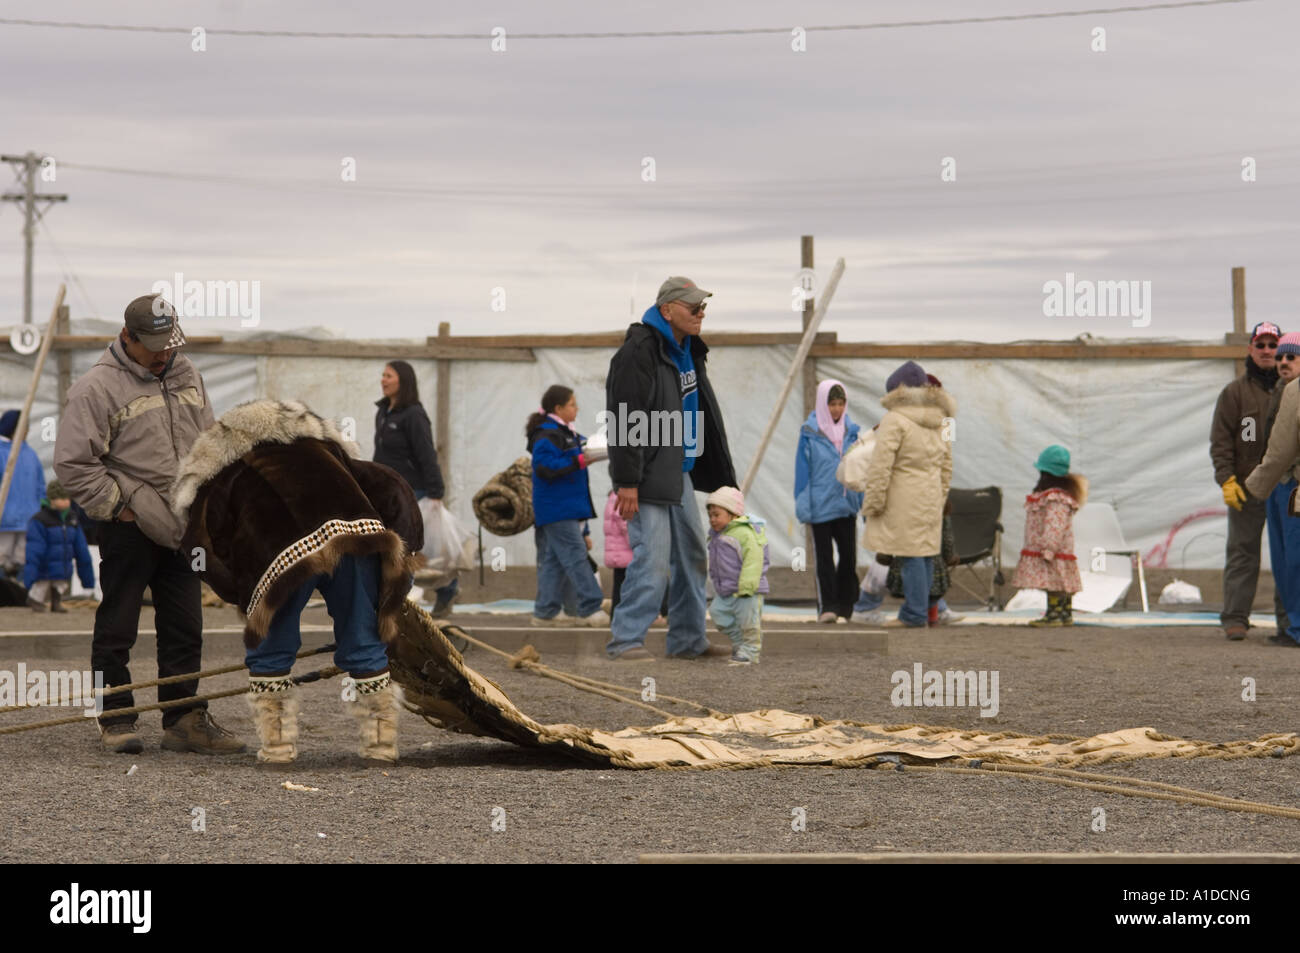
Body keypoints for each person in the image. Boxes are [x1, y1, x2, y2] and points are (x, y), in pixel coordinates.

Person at [172, 399, 424, 764]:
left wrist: (240, 590)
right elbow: (389, 483)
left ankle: (277, 748)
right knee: (363, 637)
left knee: (272, 643)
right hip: (355, 535)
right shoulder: (325, 448)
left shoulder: (224, 469)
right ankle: (381, 745)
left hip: (281, 553)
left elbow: (201, 540)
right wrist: (402, 556)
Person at [54, 293, 245, 755]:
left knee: (185, 625)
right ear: (127, 337)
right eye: (155, 344)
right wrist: (121, 508)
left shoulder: (187, 373)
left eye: (169, 342)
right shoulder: (95, 389)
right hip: (129, 526)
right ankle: (117, 717)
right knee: (118, 625)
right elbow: (74, 463)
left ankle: (183, 720)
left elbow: (209, 438)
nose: (165, 352)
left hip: (183, 525)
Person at [605, 276, 737, 661]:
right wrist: (627, 480)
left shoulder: (689, 350)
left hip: (678, 470)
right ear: (667, 310)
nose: (700, 314)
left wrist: (722, 478)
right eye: (693, 308)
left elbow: (705, 414)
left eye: (703, 308)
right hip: (646, 473)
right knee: (653, 558)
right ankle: (625, 640)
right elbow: (625, 417)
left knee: (693, 554)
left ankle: (687, 640)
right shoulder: (639, 352)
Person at [862, 361, 954, 628]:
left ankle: (914, 615)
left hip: (902, 496)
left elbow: (881, 465)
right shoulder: (942, 420)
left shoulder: (894, 420)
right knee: (924, 553)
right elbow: (947, 465)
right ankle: (922, 611)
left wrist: (874, 502)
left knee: (911, 554)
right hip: (930, 493)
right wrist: (940, 496)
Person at [1211, 321, 1285, 641]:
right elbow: (1221, 441)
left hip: (1286, 486)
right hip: (1247, 486)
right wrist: (1226, 479)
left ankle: (1289, 620)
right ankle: (1236, 617)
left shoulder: (1293, 388)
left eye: (1273, 345)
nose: (1267, 351)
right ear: (1250, 349)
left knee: (1288, 554)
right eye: (1261, 345)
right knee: (1243, 552)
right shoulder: (1234, 392)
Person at [374, 360, 458, 616]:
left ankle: (447, 589)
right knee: (395, 545)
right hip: (388, 492)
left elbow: (426, 455)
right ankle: (397, 596)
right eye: (383, 375)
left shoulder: (414, 415)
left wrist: (436, 493)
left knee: (418, 547)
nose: (383, 380)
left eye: (389, 376)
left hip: (414, 492)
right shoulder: (384, 411)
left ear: (403, 381)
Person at [527, 385, 609, 627]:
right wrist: (580, 459)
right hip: (556, 508)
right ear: (558, 408)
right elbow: (544, 466)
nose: (577, 408)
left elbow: (575, 455)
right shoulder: (547, 435)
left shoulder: (566, 433)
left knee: (553, 559)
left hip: (564, 508)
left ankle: (545, 612)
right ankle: (591, 607)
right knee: (576, 556)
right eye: (572, 404)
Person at [1243, 332, 1300, 647]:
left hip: (1288, 484)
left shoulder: (1292, 392)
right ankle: (1289, 625)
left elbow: (1280, 450)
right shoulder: (1273, 391)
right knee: (1283, 560)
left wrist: (1255, 486)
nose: (1282, 361)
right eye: (1280, 356)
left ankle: (1296, 628)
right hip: (1280, 482)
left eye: (1291, 356)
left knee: (1291, 560)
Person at [795, 380, 863, 622]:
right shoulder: (809, 433)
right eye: (831, 404)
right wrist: (804, 507)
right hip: (820, 507)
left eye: (840, 403)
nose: (836, 409)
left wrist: (862, 501)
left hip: (846, 506)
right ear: (823, 404)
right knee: (824, 559)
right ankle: (828, 607)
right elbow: (802, 473)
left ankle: (847, 606)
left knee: (848, 558)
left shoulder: (853, 432)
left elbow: (860, 468)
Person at [1011, 445, 1087, 627]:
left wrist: (1049, 548)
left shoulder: (1055, 499)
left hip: (1052, 550)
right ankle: (1064, 614)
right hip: (1055, 549)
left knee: (1054, 584)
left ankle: (1054, 615)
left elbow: (1055, 525)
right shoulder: (1055, 496)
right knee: (1060, 583)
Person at [705, 486, 769, 665]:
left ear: (733, 513)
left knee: (749, 622)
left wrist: (748, 586)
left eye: (717, 515)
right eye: (710, 515)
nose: (712, 519)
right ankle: (739, 643)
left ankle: (750, 651)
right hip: (726, 590)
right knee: (717, 613)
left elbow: (754, 559)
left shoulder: (745, 533)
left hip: (747, 590)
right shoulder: (717, 535)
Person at [23, 480, 95, 613]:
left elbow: (81, 550)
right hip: (44, 565)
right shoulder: (40, 520)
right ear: (51, 499)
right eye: (60, 498)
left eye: (67, 498)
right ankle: (35, 600)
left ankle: (56, 602)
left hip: (63, 564)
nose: (66, 502)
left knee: (60, 584)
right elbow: (34, 549)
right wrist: (29, 575)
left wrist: (88, 580)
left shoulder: (72, 519)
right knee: (41, 585)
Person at [0, 408, 45, 580]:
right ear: (13, 428)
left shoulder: (29, 454)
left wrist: (42, 508)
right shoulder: (2, 453)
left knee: (23, 558)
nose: (27, 431)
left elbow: (40, 485)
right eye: (24, 426)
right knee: (2, 557)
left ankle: (20, 596)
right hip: (5, 520)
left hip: (29, 519)